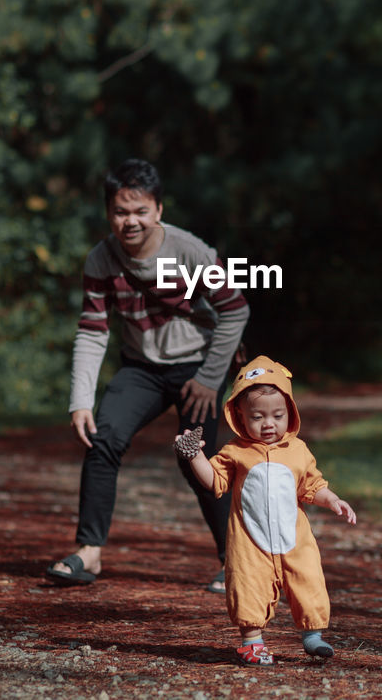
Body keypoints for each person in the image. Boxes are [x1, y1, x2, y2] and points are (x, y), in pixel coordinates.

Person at [46, 158, 248, 593]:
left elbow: (235, 309)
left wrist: (211, 378)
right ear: (109, 213)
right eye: (121, 211)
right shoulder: (101, 261)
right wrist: (80, 399)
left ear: (158, 209)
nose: (130, 221)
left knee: (193, 455)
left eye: (140, 211)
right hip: (141, 367)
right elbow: (93, 330)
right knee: (106, 438)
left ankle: (234, 559)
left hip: (198, 365)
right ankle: (90, 552)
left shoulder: (190, 251)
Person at [174, 355, 357, 666]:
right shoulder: (235, 451)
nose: (268, 424)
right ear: (240, 416)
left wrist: (332, 500)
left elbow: (312, 485)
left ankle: (313, 637)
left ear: (290, 413)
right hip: (250, 540)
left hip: (294, 537)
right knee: (247, 584)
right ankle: (251, 642)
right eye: (257, 417)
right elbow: (215, 482)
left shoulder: (297, 450)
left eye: (277, 415)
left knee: (308, 580)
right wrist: (196, 458)